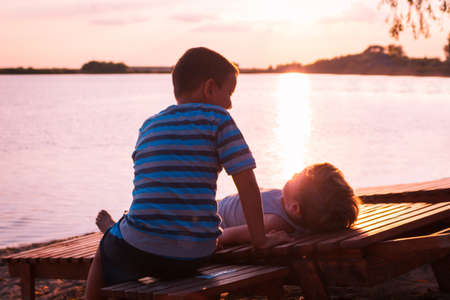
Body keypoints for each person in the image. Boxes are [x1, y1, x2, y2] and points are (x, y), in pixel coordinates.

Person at [85, 47, 291, 300]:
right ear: (210, 88)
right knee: (151, 252)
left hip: (139, 247)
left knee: (104, 252)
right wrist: (261, 241)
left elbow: (150, 184)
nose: (230, 103)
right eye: (229, 92)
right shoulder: (219, 119)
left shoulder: (149, 125)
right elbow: (247, 184)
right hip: (195, 253)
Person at [97, 162, 360, 247]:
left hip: (197, 222)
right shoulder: (290, 204)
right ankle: (126, 224)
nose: (291, 176)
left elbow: (223, 238)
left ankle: (116, 231)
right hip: (202, 209)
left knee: (153, 225)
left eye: (296, 178)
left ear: (295, 209)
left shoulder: (273, 222)